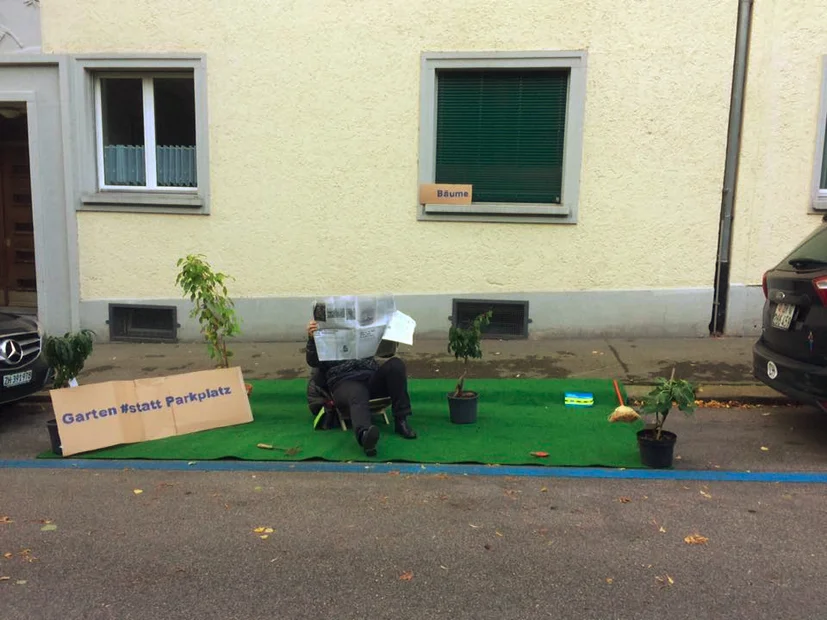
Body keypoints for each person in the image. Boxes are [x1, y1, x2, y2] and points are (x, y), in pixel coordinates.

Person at [306, 319, 417, 456]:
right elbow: (313, 361)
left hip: (370, 376)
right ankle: (365, 435)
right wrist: (312, 339)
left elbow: (387, 353)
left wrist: (389, 330)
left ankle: (401, 420)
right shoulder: (324, 335)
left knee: (396, 365)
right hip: (343, 382)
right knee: (357, 392)